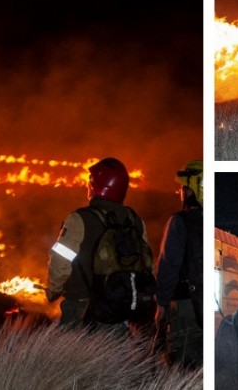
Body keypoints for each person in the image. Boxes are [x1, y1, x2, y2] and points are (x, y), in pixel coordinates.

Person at [47, 157, 154, 332]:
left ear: (96, 186)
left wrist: (53, 290)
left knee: (73, 350)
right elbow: (147, 264)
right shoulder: (135, 220)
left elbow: (60, 262)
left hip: (81, 309)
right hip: (120, 310)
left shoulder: (79, 219)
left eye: (91, 181)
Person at [154, 160, 203, 368]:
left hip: (185, 305)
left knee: (184, 363)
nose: (180, 192)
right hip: (207, 305)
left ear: (192, 190)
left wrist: (161, 304)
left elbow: (168, 266)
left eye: (182, 188)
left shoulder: (179, 221)